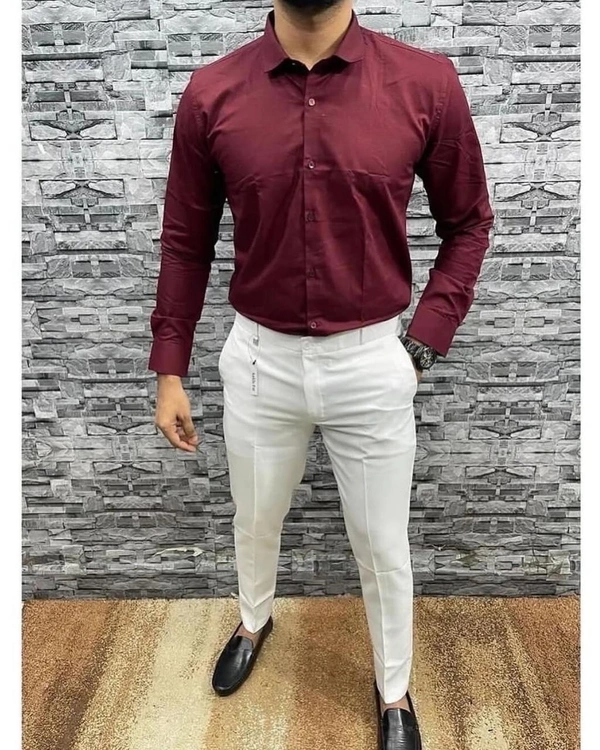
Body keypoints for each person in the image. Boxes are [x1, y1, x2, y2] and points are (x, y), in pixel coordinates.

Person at [149, 0, 494, 746]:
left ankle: (394, 690)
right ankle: (253, 620)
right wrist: (169, 367)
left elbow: (469, 223)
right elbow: (185, 240)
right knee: (255, 516)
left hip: (371, 361)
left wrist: (422, 345)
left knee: (382, 545)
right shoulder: (212, 92)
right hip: (257, 361)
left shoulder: (425, 84)